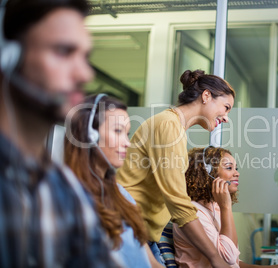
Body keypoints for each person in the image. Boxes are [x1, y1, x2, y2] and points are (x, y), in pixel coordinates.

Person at [0, 0, 117, 267]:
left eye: (85, 57)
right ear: (7, 57)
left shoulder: (65, 188)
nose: (85, 73)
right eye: (64, 52)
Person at [117, 69, 235, 267]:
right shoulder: (168, 126)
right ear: (206, 96)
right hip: (126, 231)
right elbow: (178, 203)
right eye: (226, 107)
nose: (226, 117)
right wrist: (216, 258)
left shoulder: (174, 128)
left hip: (140, 234)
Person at [64, 94, 164, 268]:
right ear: (89, 135)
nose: (127, 143)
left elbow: (151, 262)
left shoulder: (122, 195)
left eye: (127, 133)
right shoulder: (68, 197)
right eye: (118, 131)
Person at [173, 147, 278, 268]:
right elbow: (228, 258)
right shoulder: (194, 212)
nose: (237, 173)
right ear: (207, 173)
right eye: (229, 168)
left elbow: (234, 263)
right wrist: (226, 207)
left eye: (236, 168)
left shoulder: (215, 208)